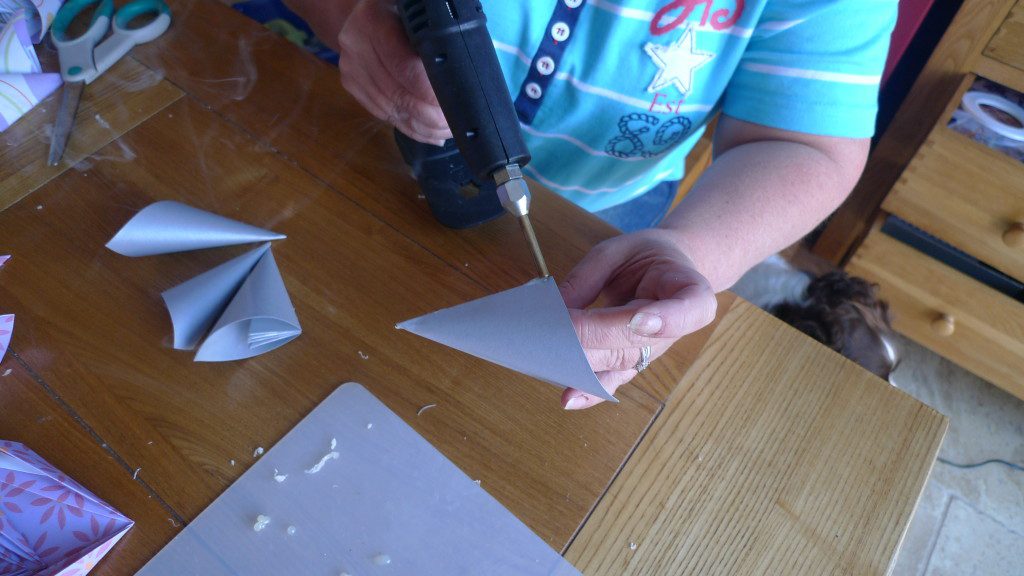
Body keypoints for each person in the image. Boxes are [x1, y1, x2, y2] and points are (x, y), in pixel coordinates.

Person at [285, 0, 898, 410]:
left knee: (494, 403)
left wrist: (689, 249)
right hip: (343, 130)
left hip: (612, 210)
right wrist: (345, 11)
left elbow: (803, 145)